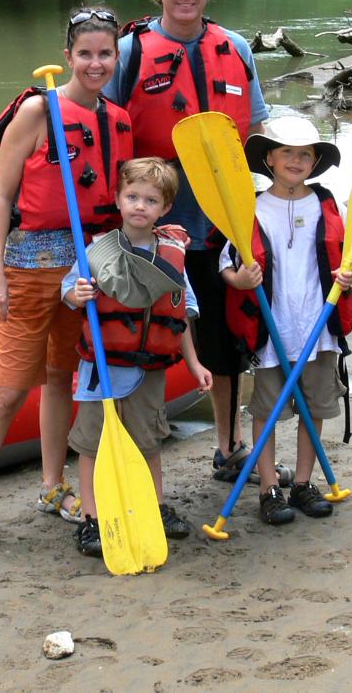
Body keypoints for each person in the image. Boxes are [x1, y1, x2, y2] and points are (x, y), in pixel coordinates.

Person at [0, 6, 134, 564]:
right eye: (86, 53)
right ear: (69, 55)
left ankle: (54, 485)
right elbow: (2, 197)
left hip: (87, 271)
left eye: (105, 54)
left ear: (115, 57)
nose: (95, 63)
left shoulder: (117, 120)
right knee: (5, 393)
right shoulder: (37, 111)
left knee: (61, 377)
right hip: (29, 268)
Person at [103, 0, 269, 481]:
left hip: (222, 225)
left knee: (223, 341)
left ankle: (228, 445)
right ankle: (136, 460)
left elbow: (259, 132)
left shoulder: (236, 48)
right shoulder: (129, 53)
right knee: (140, 336)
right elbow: (107, 136)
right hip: (153, 227)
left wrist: (265, 205)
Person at [61, 157, 212, 558]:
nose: (140, 206)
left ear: (164, 208)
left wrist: (195, 364)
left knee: (148, 443)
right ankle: (92, 520)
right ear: (118, 200)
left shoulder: (173, 253)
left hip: (148, 370)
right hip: (102, 369)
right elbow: (68, 288)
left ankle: (155, 507)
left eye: (150, 200)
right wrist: (78, 294)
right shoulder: (97, 250)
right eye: (132, 197)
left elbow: (181, 314)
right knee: (93, 446)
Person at [218, 116, 352, 526]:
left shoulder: (329, 204)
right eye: (287, 153)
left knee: (314, 406)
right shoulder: (254, 208)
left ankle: (303, 483)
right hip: (272, 332)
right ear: (269, 159)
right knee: (266, 411)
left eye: (305, 154)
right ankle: (268, 488)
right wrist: (239, 279)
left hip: (319, 331)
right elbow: (226, 262)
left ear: (315, 161)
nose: (295, 161)